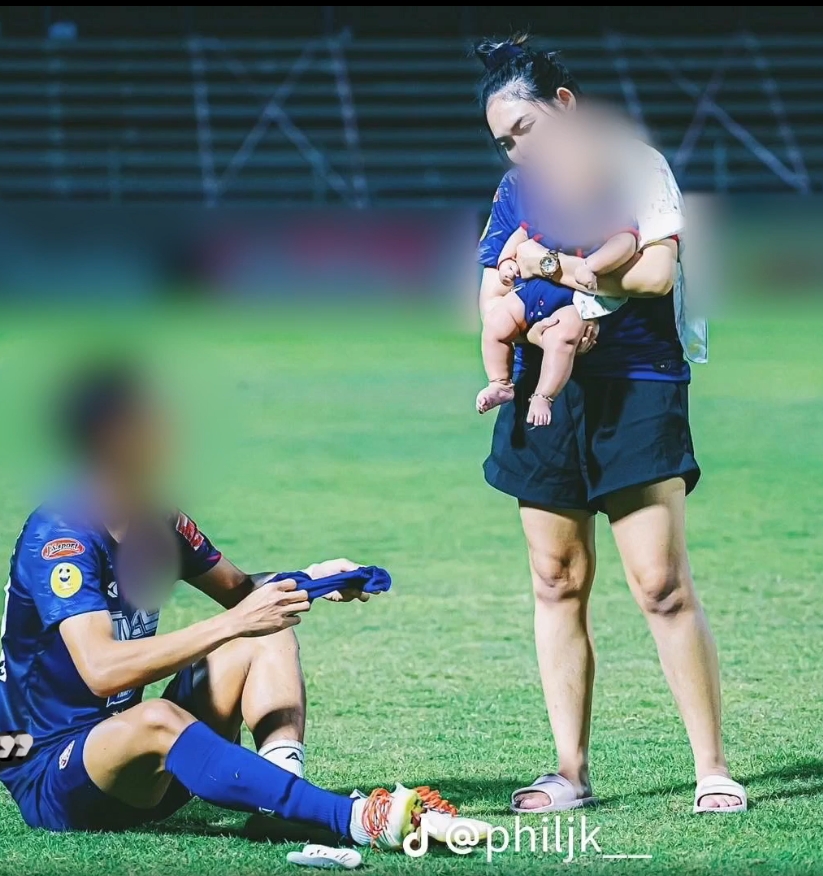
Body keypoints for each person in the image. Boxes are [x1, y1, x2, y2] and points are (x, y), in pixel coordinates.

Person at [0, 363, 453, 843]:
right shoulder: (60, 538)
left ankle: (285, 800)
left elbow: (241, 591)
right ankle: (353, 819)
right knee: (158, 717)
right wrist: (235, 622)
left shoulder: (157, 520)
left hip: (141, 766)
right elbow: (102, 669)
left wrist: (314, 579)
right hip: (53, 777)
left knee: (267, 628)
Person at [473, 34, 746, 814]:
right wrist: (534, 324)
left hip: (638, 382)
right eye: (504, 142)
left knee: (659, 584)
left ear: (562, 104)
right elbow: (490, 291)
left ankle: (711, 769)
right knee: (554, 580)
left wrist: (552, 268)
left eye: (524, 129)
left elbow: (654, 273)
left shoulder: (633, 165)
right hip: (546, 387)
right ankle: (569, 773)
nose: (517, 151)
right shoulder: (514, 192)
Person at [476, 214, 639, 426]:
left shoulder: (609, 212)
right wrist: (506, 260)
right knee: (496, 322)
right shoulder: (548, 208)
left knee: (561, 338)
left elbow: (625, 242)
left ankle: (543, 396)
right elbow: (523, 232)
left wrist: (592, 266)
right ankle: (500, 383)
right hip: (534, 289)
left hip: (575, 298)